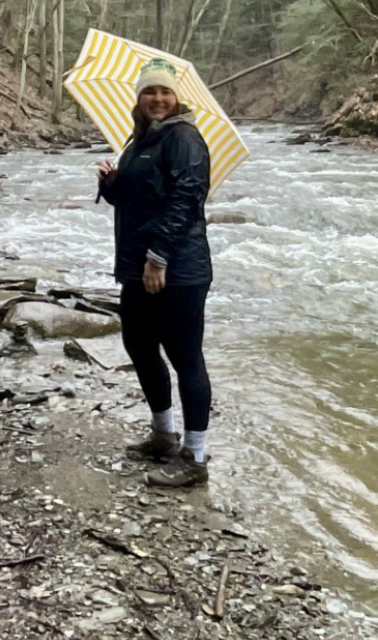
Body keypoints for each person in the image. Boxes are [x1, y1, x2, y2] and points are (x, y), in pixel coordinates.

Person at [95, 58, 213, 488]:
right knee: (139, 346)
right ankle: (163, 436)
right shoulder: (141, 139)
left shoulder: (184, 138)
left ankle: (195, 458)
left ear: (177, 97)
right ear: (139, 97)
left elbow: (187, 197)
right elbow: (137, 199)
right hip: (136, 267)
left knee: (185, 357)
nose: (158, 99)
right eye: (150, 92)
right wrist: (111, 183)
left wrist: (159, 256)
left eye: (165, 92)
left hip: (178, 270)